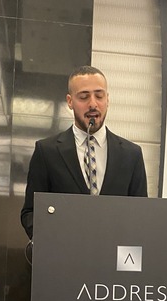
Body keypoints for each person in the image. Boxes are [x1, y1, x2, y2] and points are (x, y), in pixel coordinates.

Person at [20, 66, 148, 238]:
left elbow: (141, 215)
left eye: (99, 96)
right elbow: (30, 214)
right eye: (84, 97)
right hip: (64, 251)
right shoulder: (47, 152)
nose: (93, 104)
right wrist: (53, 241)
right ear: (70, 101)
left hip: (114, 252)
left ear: (107, 99)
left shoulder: (131, 155)